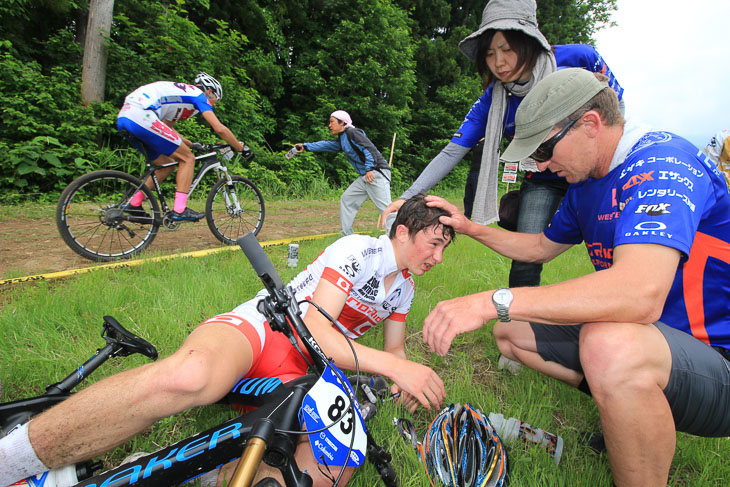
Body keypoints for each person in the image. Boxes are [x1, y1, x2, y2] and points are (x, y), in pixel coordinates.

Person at [0, 194, 452, 487]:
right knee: (189, 376)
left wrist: (400, 376)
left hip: (306, 373)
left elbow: (394, 349)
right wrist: (397, 368)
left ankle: (210, 476)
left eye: (445, 249)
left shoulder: (405, 287)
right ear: (402, 231)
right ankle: (9, 461)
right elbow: (317, 328)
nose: (438, 256)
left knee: (339, 462)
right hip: (266, 330)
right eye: (432, 243)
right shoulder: (358, 249)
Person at [421, 68, 730, 487]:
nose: (542, 164)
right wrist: (471, 227)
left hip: (715, 359)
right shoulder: (587, 182)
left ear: (589, 124)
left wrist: (489, 299)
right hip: (651, 340)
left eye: (544, 148)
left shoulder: (664, 165)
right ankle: (627, 404)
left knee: (610, 344)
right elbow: (538, 248)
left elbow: (640, 294)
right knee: (512, 334)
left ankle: (628, 393)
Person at [380, 0, 624, 288]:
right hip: (543, 176)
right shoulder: (492, 102)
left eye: (507, 49)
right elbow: (453, 150)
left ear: (530, 42)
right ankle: (517, 318)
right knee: (527, 256)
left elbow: (615, 108)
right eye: (490, 53)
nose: (498, 63)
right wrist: (410, 195)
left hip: (593, 168)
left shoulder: (581, 57)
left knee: (610, 240)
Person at [117, 72, 248, 221]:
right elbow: (219, 129)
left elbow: (167, 129)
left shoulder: (180, 98)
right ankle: (180, 210)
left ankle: (134, 203)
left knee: (166, 164)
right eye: (216, 99)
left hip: (126, 117)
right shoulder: (199, 95)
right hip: (142, 116)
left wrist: (192, 144)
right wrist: (240, 148)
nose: (215, 104)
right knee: (188, 159)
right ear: (210, 92)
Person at [296, 110, 394, 235]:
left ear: (342, 122)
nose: (329, 125)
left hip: (376, 173)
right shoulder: (343, 138)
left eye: (332, 122)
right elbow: (327, 145)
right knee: (347, 199)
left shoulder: (353, 133)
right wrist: (306, 146)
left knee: (386, 209)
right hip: (365, 176)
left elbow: (369, 149)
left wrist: (370, 168)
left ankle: (397, 239)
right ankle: (347, 236)